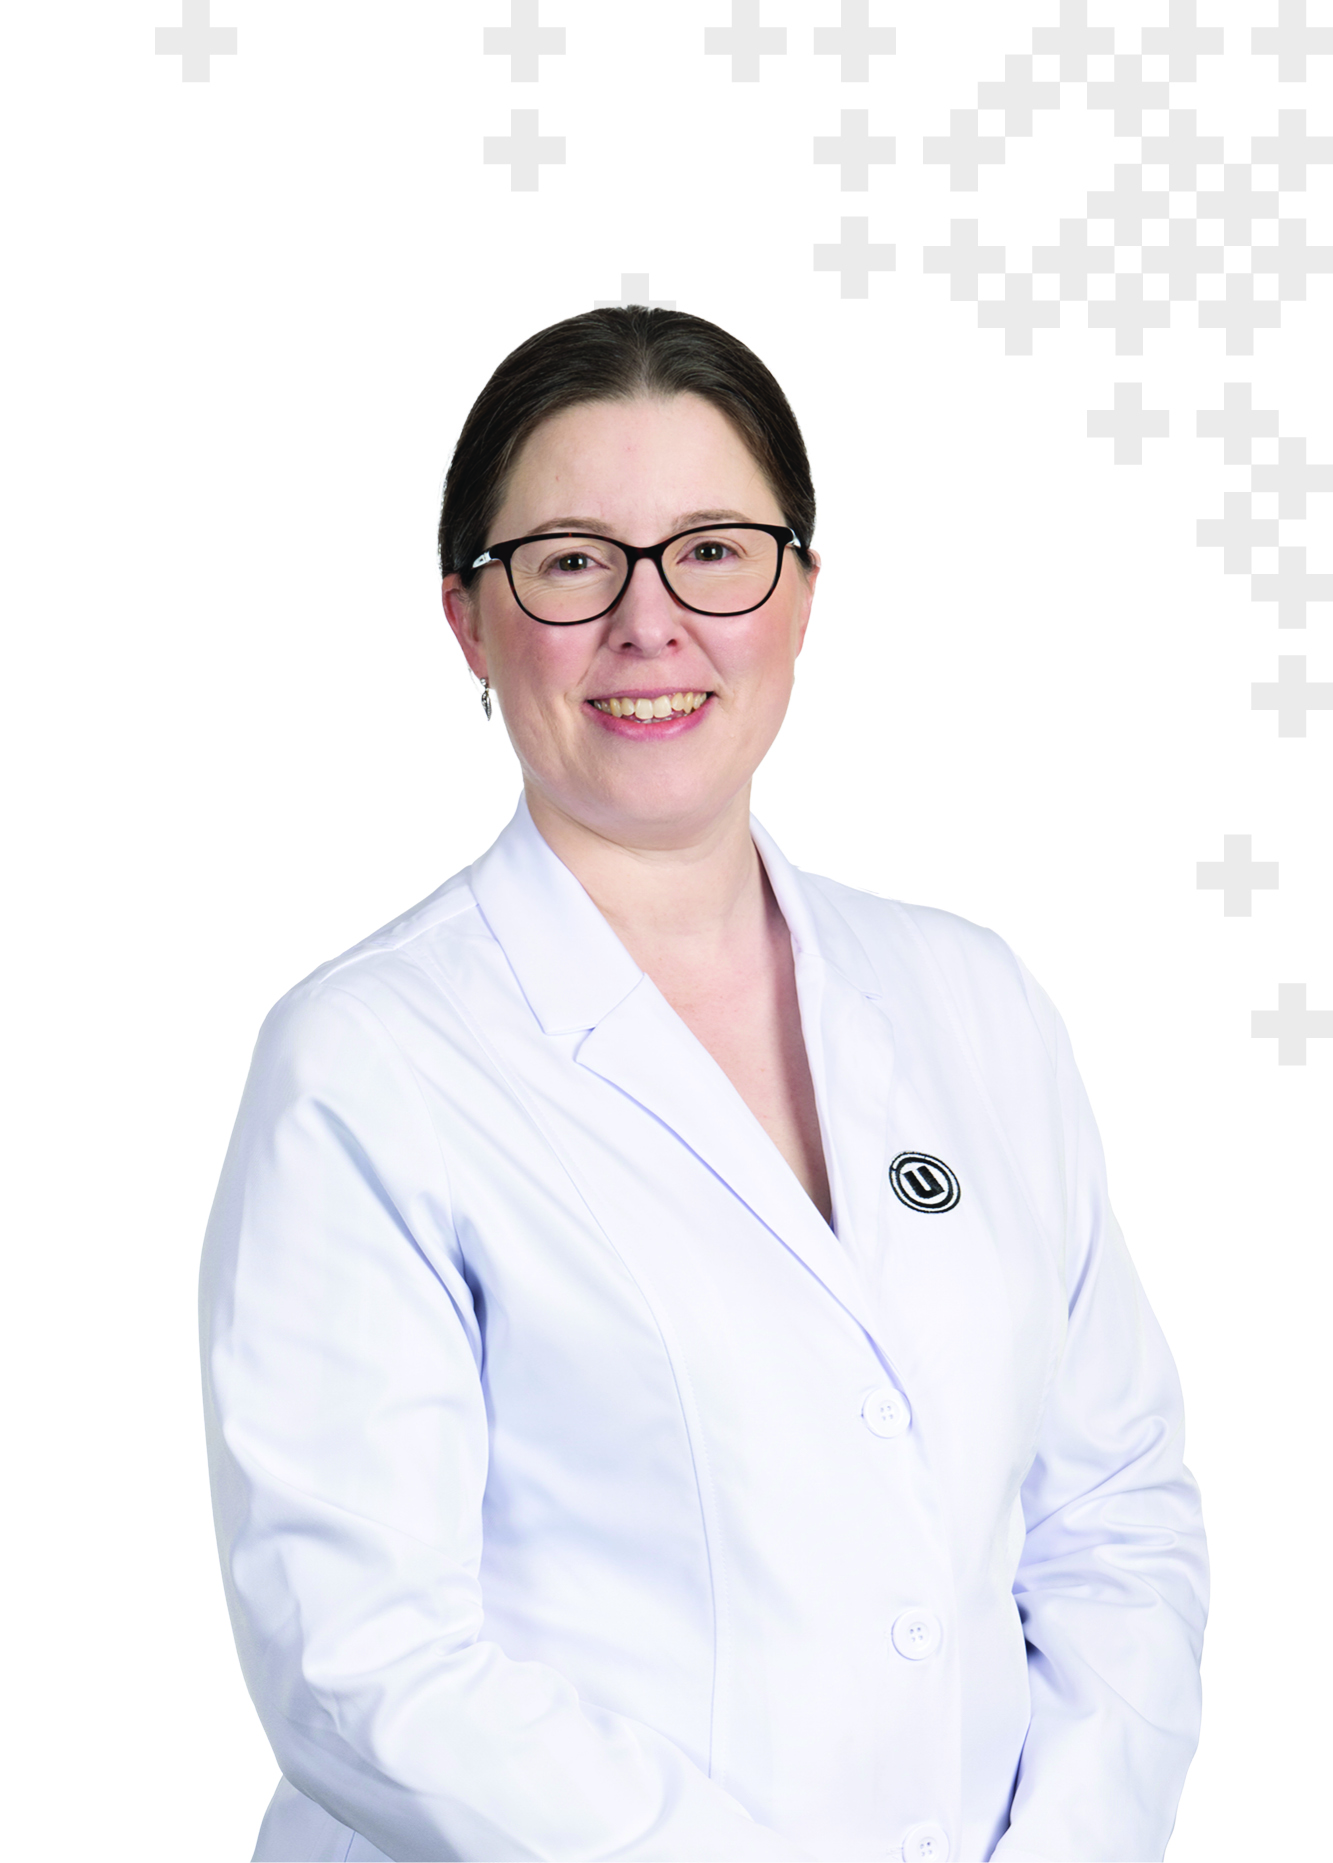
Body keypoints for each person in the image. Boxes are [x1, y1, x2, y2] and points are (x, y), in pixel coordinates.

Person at [200, 307, 1208, 1863]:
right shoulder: (370, 1061)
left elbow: (1116, 1519)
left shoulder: (973, 1002)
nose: (650, 622)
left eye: (714, 552)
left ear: (800, 592)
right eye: (571, 562)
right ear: (470, 621)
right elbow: (366, 1661)